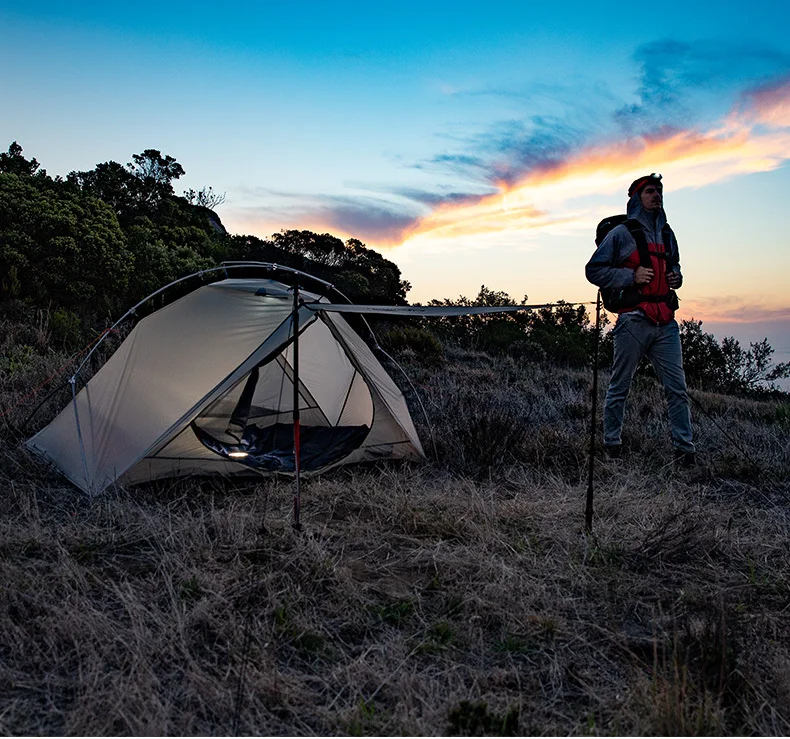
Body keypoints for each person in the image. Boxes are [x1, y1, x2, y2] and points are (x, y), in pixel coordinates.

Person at [585, 173, 695, 467]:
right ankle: (612, 445)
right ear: (636, 198)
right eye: (649, 191)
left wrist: (677, 278)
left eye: (659, 191)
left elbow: (676, 269)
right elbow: (594, 270)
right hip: (633, 320)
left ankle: (685, 451)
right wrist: (630, 276)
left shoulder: (668, 234)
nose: (656, 195)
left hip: (666, 322)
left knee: (677, 389)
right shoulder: (622, 233)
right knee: (620, 385)